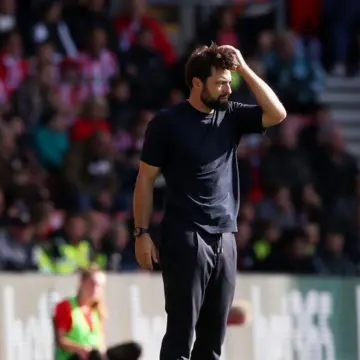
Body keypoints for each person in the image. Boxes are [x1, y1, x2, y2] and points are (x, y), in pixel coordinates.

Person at [132, 44, 286, 359]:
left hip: (225, 236)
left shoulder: (230, 115)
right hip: (185, 235)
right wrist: (141, 233)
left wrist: (242, 68)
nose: (227, 89)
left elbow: (277, 113)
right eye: (220, 83)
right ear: (197, 83)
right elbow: (145, 179)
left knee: (213, 338)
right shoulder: (167, 122)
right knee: (181, 333)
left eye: (229, 82)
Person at [53, 265, 142, 360]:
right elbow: (61, 340)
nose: (96, 289)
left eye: (100, 286)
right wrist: (81, 349)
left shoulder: (97, 310)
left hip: (94, 355)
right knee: (95, 355)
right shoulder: (66, 306)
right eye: (92, 284)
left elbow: (100, 342)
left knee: (134, 348)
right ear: (82, 282)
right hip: (75, 356)